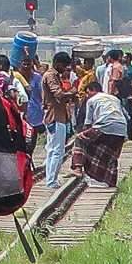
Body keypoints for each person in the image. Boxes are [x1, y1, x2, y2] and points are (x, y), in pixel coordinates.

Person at [70, 73, 130, 188]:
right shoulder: (114, 98)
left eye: (87, 92)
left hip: (104, 125)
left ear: (93, 90)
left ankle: (77, 167)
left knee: (80, 139)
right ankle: (110, 182)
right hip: (121, 129)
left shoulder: (91, 100)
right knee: (111, 156)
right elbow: (127, 116)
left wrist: (87, 138)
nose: (87, 95)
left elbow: (88, 122)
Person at [41, 53, 77, 183]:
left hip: (56, 116)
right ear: (56, 63)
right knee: (57, 151)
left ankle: (51, 179)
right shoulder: (51, 76)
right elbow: (59, 95)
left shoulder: (54, 76)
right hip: (55, 116)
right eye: (63, 65)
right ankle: (52, 181)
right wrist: (72, 92)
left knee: (52, 150)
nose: (65, 68)